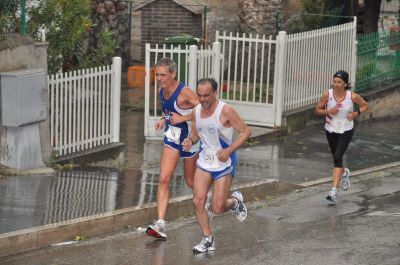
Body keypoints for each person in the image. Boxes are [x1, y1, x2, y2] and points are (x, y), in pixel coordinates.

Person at [182, 78, 251, 253]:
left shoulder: (225, 110)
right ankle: (207, 239)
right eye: (199, 95)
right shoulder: (196, 111)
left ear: (215, 93)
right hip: (205, 161)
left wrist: (230, 149)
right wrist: (190, 140)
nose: (203, 99)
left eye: (206, 95)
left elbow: (246, 131)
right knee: (198, 200)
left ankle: (235, 202)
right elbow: (196, 133)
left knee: (218, 207)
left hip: (224, 162)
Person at [146, 57, 199, 239]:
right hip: (172, 137)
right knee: (163, 178)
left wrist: (184, 120)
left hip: (191, 138)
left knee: (191, 182)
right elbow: (168, 111)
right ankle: (160, 223)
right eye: (157, 74)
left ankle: (210, 198)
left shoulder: (184, 92)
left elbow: (205, 110)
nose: (159, 78)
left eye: (163, 75)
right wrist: (164, 119)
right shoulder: (162, 90)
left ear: (173, 74)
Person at [315, 70, 368, 203]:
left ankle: (333, 191)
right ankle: (344, 173)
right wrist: (329, 111)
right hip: (330, 130)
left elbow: (365, 106)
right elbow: (317, 110)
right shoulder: (327, 94)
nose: (336, 84)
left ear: (345, 84)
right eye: (334, 81)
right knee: (336, 158)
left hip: (346, 130)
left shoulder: (352, 96)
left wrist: (356, 114)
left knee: (338, 157)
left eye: (339, 82)